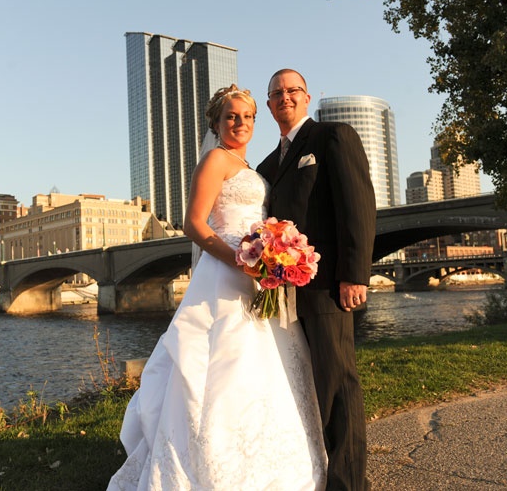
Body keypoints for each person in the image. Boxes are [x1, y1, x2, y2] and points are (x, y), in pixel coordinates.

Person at [108, 84, 327, 490]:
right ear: (216, 123)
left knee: (265, 362)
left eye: (247, 117)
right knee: (222, 362)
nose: (240, 123)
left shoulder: (252, 168)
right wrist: (241, 261)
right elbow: (194, 224)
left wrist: (271, 255)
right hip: (228, 273)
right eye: (231, 116)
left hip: (256, 274)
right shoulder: (215, 159)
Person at [256, 69, 376, 491]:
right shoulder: (267, 165)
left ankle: (348, 484)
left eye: (293, 90)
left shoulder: (333, 137)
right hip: (283, 294)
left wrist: (354, 275)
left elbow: (357, 205)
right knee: (304, 388)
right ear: (269, 105)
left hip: (327, 289)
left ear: (306, 97)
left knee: (336, 386)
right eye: (276, 93)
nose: (285, 97)